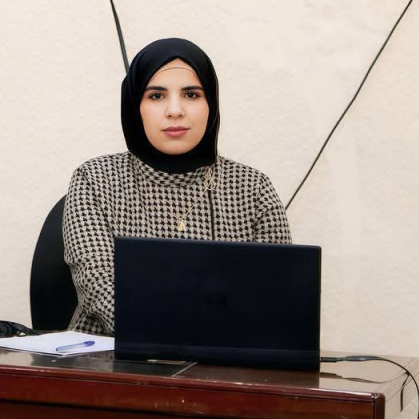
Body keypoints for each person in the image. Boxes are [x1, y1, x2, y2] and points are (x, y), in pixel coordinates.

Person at [62, 38, 291, 335]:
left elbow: (273, 294)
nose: (174, 110)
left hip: (227, 358)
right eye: (156, 95)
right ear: (135, 106)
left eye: (191, 94)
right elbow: (99, 286)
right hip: (109, 355)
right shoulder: (95, 179)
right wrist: (180, 336)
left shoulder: (253, 189)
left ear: (211, 104)